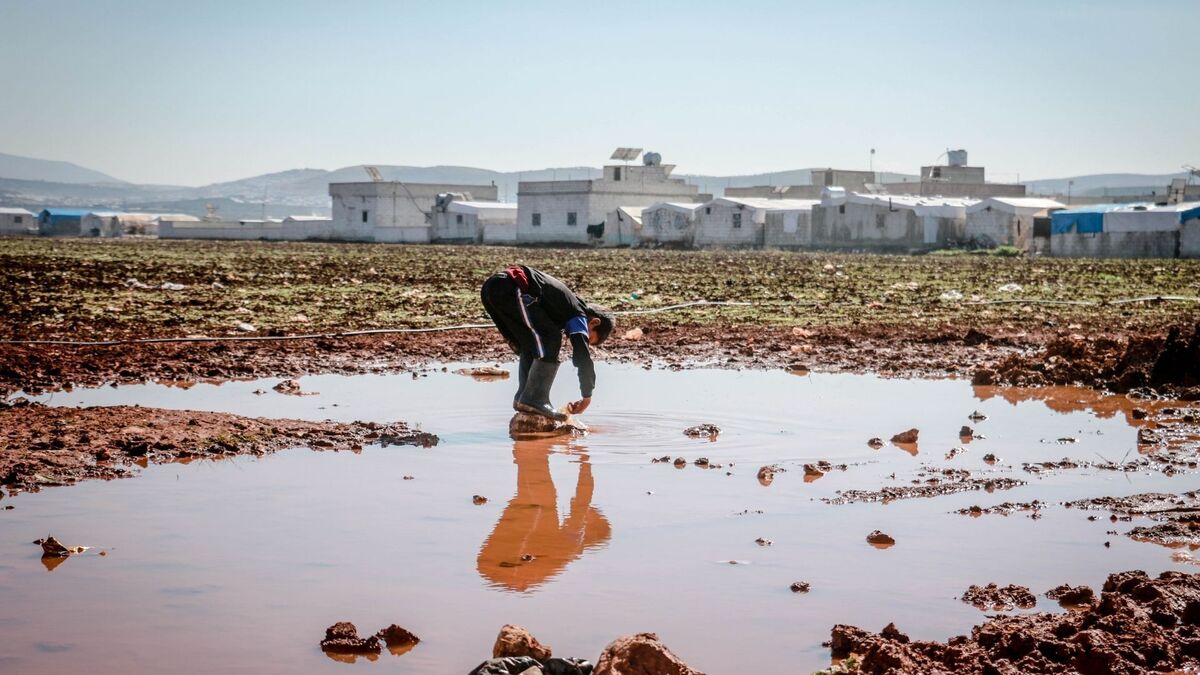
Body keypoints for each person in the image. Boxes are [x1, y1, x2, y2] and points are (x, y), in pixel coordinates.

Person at [480, 265, 615, 421]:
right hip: (510, 287)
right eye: (589, 338)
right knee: (551, 338)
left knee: (530, 345)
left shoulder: (562, 310)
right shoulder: (578, 315)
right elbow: (582, 356)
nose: (584, 340)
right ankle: (535, 398)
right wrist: (587, 396)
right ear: (594, 323)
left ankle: (523, 398)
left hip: (491, 289)